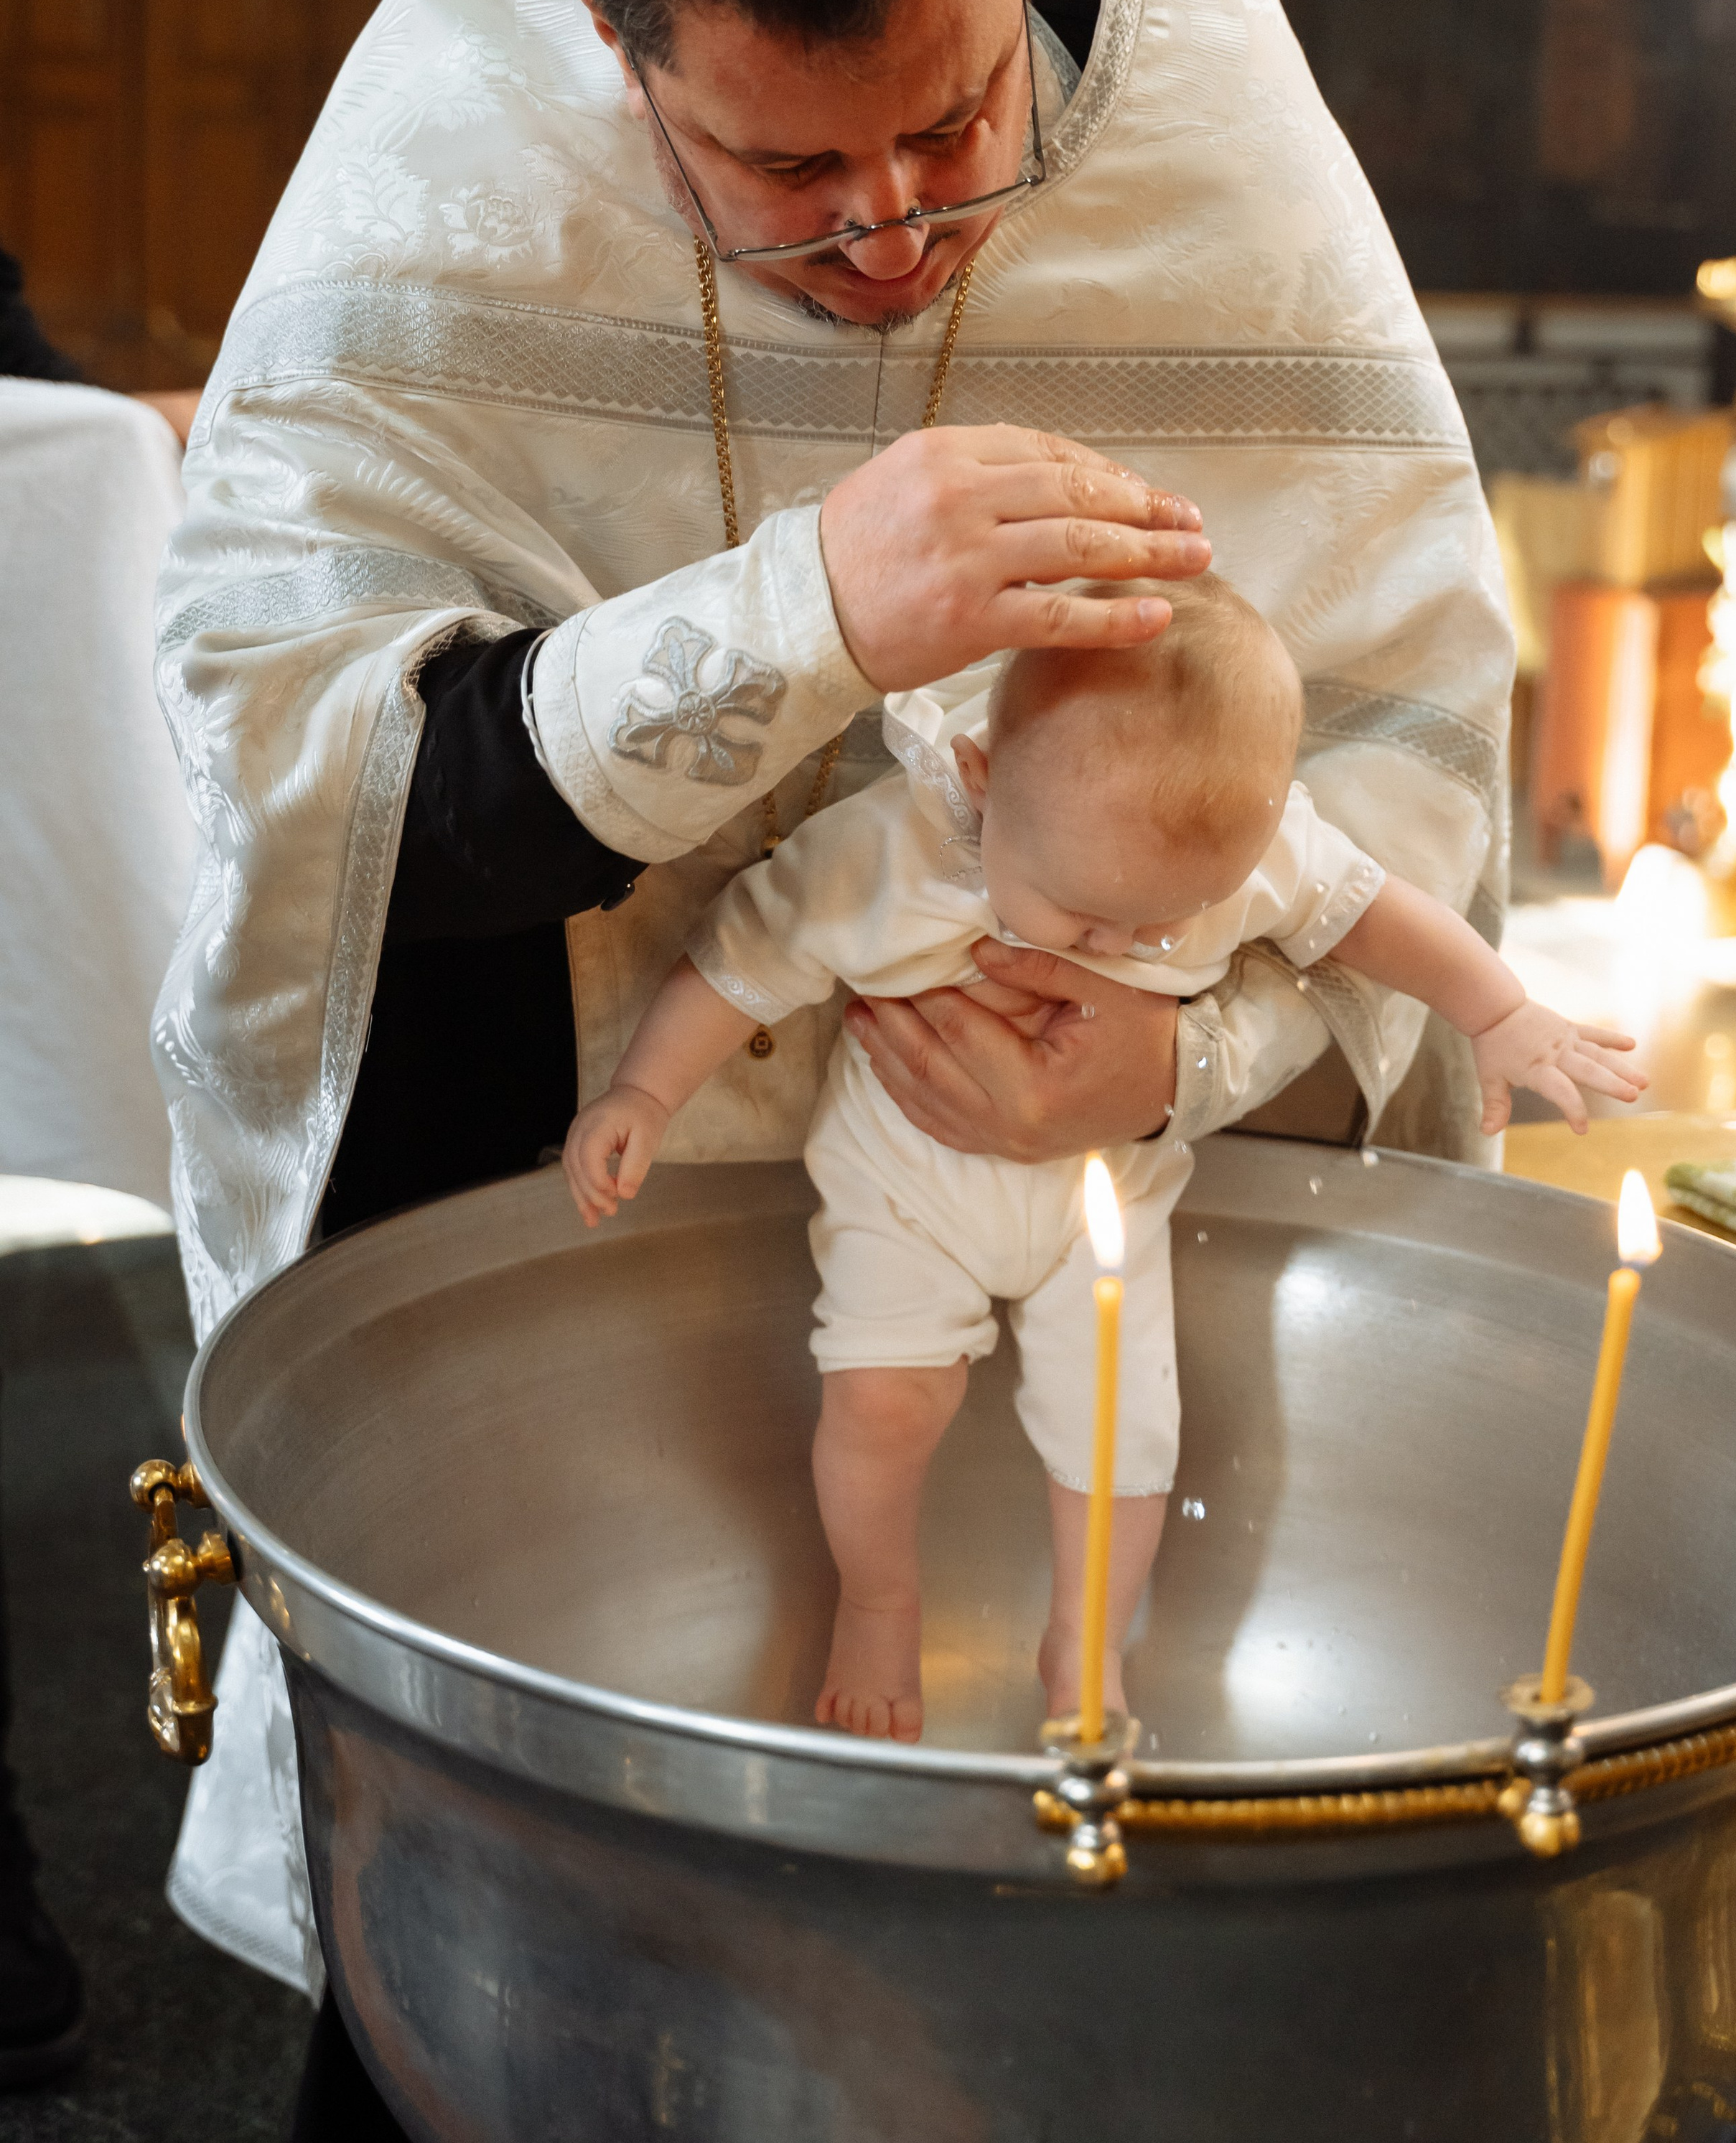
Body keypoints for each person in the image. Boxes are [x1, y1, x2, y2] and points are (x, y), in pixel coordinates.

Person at [151, 0, 1516, 2125]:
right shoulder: (456, 216)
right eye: (784, 163)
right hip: (563, 1316)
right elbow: (301, 809)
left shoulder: (1225, 194)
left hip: (1058, 1304)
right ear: (610, 45)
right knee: (503, 2019)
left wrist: (1186, 1033)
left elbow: (1411, 760)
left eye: (961, 119)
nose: (892, 232)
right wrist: (808, 614)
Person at [564, 576, 1638, 1743]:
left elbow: (1375, 913)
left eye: (1169, 923)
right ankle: (878, 1601)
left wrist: (1499, 1014)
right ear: (983, 781)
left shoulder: (1256, 851)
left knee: (1124, 1444)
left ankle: (1086, 1644)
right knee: (882, 1405)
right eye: (1087, 917)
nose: (1124, 948)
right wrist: (646, 1090)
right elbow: (742, 960)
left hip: (1106, 1198)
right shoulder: (892, 851)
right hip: (904, 1186)